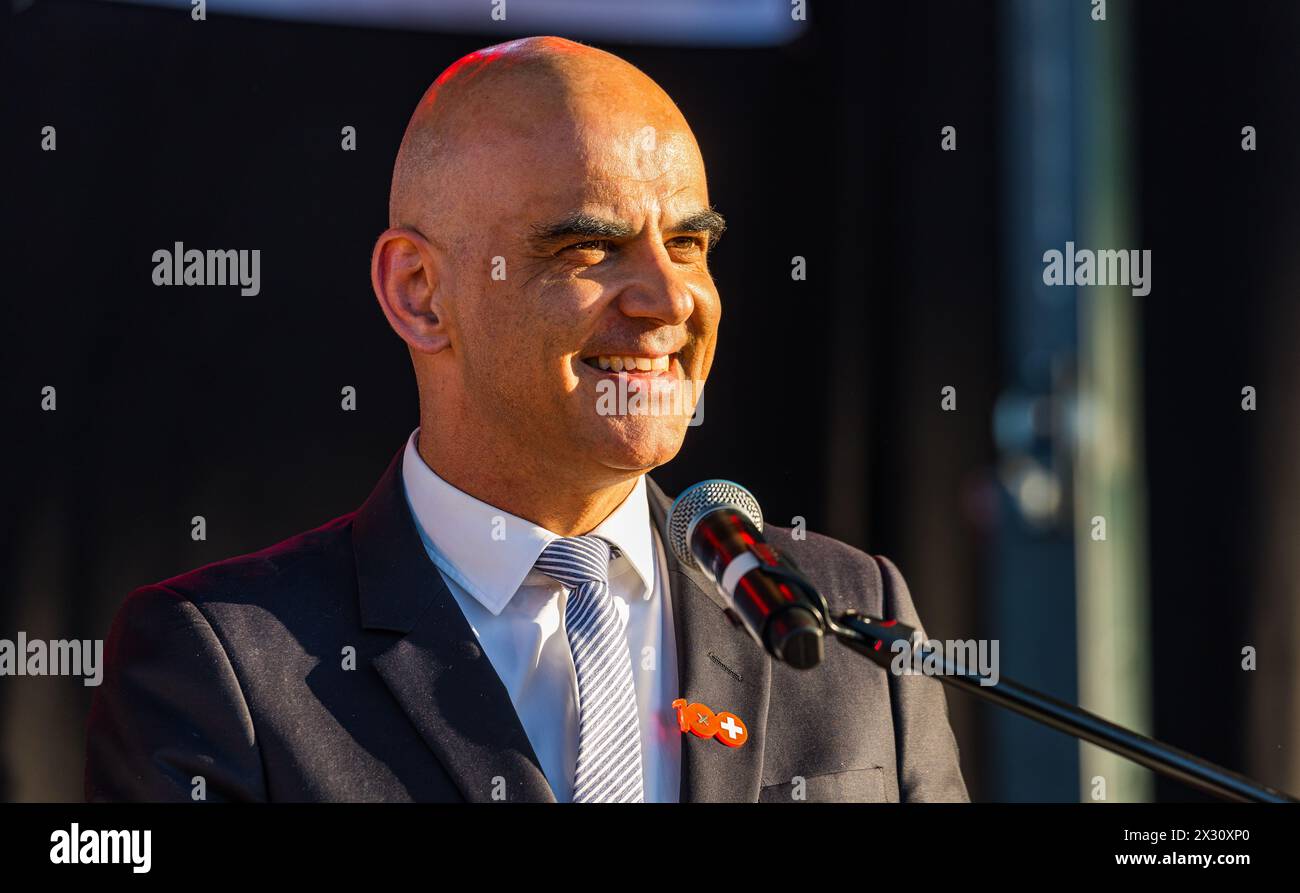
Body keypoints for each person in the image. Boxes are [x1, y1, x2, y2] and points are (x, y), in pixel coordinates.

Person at [84, 36, 968, 803]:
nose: (669, 299)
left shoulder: (845, 613)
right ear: (420, 294)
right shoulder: (224, 663)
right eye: (588, 245)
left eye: (690, 244)